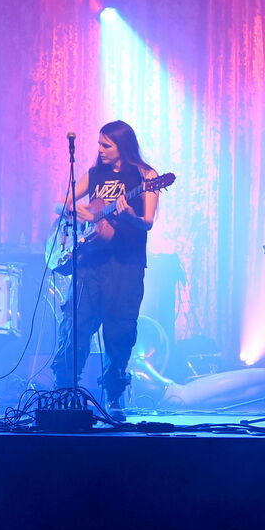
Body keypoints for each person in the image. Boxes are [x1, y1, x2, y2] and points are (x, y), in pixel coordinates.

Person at [50, 120, 159, 413]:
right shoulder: (94, 174)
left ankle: (113, 397)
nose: (99, 149)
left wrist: (128, 216)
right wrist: (77, 209)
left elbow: (147, 222)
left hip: (126, 266)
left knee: (119, 331)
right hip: (90, 264)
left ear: (122, 147)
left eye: (106, 145)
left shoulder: (145, 176)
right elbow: (60, 204)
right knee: (76, 326)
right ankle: (65, 394)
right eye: (99, 143)